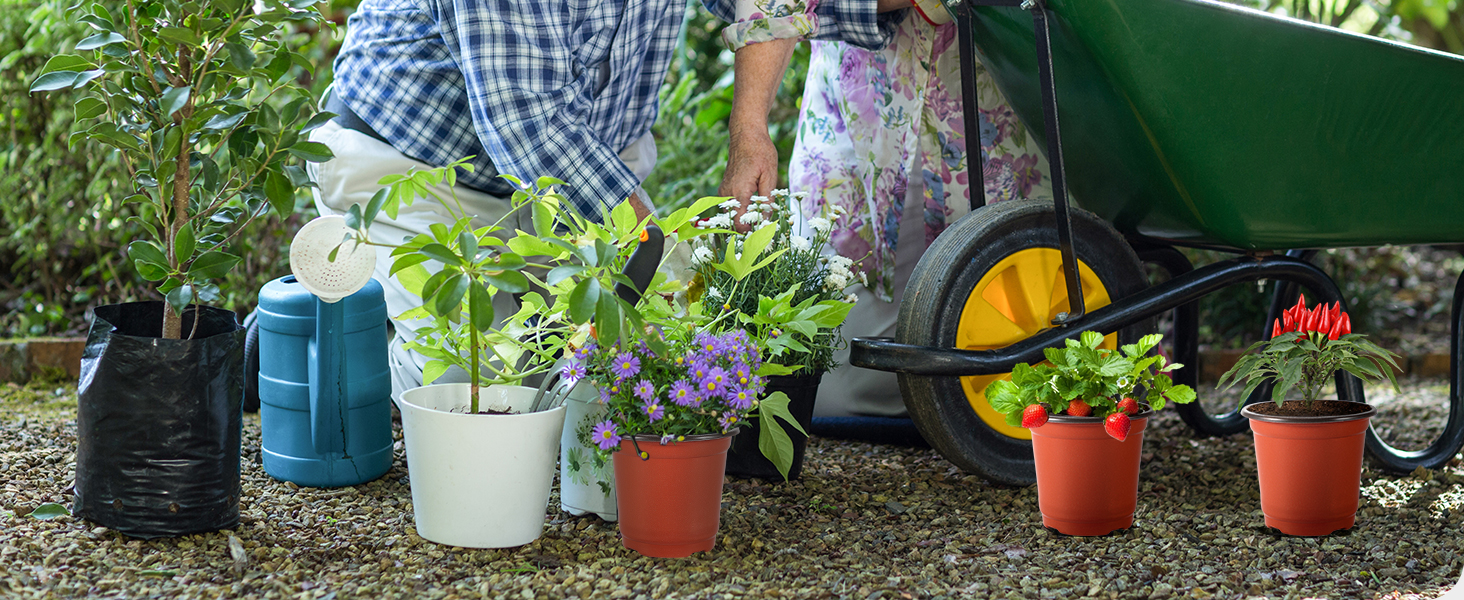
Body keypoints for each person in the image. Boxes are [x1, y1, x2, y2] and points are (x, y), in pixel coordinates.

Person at [308, 0, 919, 399]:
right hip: (417, 172)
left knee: (632, 373)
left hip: (576, 174)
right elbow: (529, 121)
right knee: (481, 389)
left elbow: (770, 0)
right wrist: (665, 260)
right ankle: (328, 329)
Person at [718, 0, 1055, 416]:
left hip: (1003, 116)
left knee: (1034, 377)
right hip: (862, 121)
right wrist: (749, 128)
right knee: (824, 391)